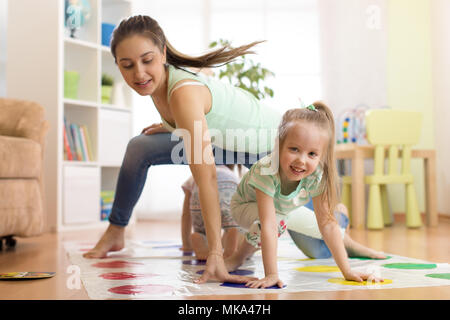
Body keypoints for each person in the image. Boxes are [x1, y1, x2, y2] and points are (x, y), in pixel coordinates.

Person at [82, 15, 281, 285]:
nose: (138, 73)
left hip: (271, 146)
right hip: (230, 142)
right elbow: (207, 115)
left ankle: (336, 213)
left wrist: (215, 254)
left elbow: (206, 176)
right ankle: (116, 230)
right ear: (117, 65)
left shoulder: (182, 93)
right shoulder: (160, 87)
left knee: (318, 239)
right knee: (139, 147)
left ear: (163, 53)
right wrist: (174, 125)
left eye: (147, 60)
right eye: (127, 65)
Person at [225, 103, 385, 288]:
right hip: (245, 207)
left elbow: (327, 224)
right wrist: (271, 275)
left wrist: (347, 271)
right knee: (275, 222)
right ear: (279, 145)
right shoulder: (267, 170)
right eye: (294, 149)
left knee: (318, 247)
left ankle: (347, 232)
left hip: (282, 211)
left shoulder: (317, 174)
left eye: (312, 154)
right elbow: (268, 224)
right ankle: (239, 256)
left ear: (321, 156)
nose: (301, 160)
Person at [287, 199, 386, 260]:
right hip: (319, 250)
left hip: (320, 249)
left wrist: (347, 271)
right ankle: (345, 242)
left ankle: (344, 242)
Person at [181, 165, 241, 260]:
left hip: (200, 199)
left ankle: (199, 239)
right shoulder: (233, 176)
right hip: (227, 194)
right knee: (232, 226)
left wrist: (186, 244)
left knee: (201, 232)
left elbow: (186, 214)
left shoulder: (197, 174)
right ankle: (231, 241)